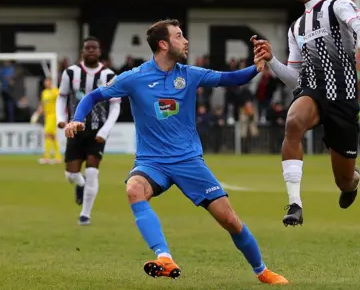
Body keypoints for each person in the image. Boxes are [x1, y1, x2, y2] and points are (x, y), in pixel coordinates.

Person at [63, 19, 288, 284]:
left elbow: (230, 79)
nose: (186, 41)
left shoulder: (189, 74)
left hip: (188, 161)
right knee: (134, 188)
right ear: (163, 44)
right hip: (152, 162)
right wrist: (77, 118)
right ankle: (164, 258)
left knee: (230, 220)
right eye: (179, 36)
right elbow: (92, 96)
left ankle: (262, 271)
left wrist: (257, 67)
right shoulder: (134, 78)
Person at [253, 0, 360, 227]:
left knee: (343, 180)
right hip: (312, 92)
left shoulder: (337, 4)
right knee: (293, 121)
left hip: (342, 96)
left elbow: (357, 21)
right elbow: (294, 78)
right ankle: (295, 204)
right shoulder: (296, 27)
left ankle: (352, 181)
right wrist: (272, 61)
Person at [56, 37, 121, 225]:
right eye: (87, 48)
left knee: (93, 171)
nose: (91, 51)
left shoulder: (109, 75)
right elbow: (61, 98)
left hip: (97, 131)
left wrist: (105, 131)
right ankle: (81, 184)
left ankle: (85, 215)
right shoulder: (70, 73)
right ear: (82, 52)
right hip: (76, 129)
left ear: (99, 52)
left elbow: (115, 106)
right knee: (71, 175)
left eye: (94, 48)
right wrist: (62, 120)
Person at [31, 78, 61, 164]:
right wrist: (36, 114)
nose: (47, 83)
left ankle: (46, 157)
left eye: (48, 81)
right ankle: (57, 157)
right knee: (53, 136)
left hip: (54, 115)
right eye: (46, 82)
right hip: (47, 116)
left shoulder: (55, 91)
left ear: (51, 82)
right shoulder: (44, 93)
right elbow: (42, 105)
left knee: (47, 134)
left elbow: (61, 101)